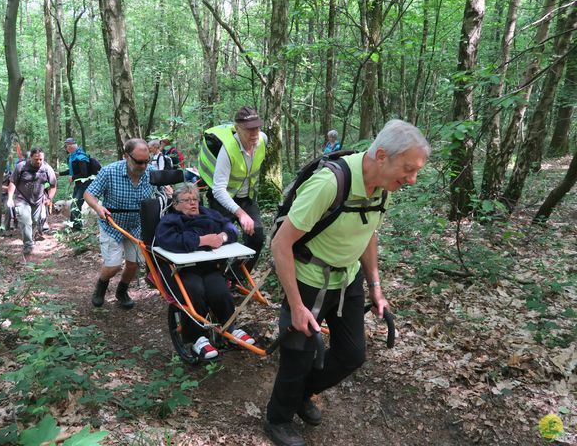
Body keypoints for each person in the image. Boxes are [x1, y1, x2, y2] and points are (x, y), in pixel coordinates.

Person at [264, 120, 430, 446]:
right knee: (298, 355)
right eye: (408, 169)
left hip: (348, 279)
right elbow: (280, 245)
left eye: (416, 172)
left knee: (352, 355)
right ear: (381, 155)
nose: (412, 179)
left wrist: (376, 288)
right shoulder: (330, 183)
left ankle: (299, 395)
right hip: (309, 280)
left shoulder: (383, 187)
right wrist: (296, 306)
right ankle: (278, 419)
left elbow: (367, 233)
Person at [155, 183, 255, 359]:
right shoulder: (170, 220)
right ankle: (197, 338)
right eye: (187, 200)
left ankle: (230, 328)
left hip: (208, 266)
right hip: (182, 270)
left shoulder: (210, 215)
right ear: (176, 204)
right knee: (194, 290)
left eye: (195, 199)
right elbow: (168, 240)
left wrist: (222, 237)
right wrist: (202, 240)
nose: (193, 203)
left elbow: (230, 228)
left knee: (219, 289)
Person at [84, 138, 157, 310]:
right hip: (112, 225)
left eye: (146, 161)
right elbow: (89, 194)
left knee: (133, 265)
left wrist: (168, 190)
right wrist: (97, 207)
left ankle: (121, 292)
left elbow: (164, 189)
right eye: (139, 162)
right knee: (113, 266)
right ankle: (101, 287)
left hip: (136, 226)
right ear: (126, 156)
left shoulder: (151, 172)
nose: (143, 166)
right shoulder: (109, 172)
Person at [198, 106, 267, 278]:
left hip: (247, 197)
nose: (254, 133)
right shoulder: (227, 150)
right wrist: (241, 214)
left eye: (256, 128)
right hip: (222, 201)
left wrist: (245, 210)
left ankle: (235, 278)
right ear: (237, 129)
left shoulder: (263, 140)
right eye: (248, 129)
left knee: (257, 237)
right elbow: (218, 189)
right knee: (220, 241)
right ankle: (215, 280)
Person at [6, 148, 57, 259]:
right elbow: (13, 182)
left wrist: (49, 198)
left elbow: (53, 186)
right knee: (26, 221)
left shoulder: (47, 169)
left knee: (33, 222)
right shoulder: (21, 167)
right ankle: (28, 246)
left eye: (41, 159)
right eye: (36, 159)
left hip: (38, 201)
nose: (38, 161)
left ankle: (31, 239)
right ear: (30, 157)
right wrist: (10, 198)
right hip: (21, 199)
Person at [58, 138, 92, 231]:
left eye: (66, 147)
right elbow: (73, 170)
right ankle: (73, 226)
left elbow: (84, 173)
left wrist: (73, 177)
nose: (66, 149)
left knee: (76, 205)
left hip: (85, 184)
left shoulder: (81, 157)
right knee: (74, 204)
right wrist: (59, 174)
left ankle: (77, 227)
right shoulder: (73, 156)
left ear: (70, 147)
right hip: (78, 184)